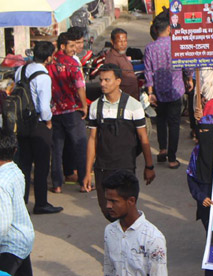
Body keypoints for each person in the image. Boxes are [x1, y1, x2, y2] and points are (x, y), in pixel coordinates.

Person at [83, 64, 155, 221]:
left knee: (124, 209)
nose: (102, 84)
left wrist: (149, 166)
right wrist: (88, 172)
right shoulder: (95, 106)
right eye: (101, 80)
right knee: (107, 209)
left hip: (125, 167)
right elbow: (92, 139)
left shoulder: (134, 106)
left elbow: (143, 139)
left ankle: (125, 242)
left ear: (118, 81)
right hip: (103, 168)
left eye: (107, 80)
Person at [14, 41, 61, 214]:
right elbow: (44, 107)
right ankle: (41, 203)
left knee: (24, 164)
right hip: (38, 124)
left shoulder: (21, 70)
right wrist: (48, 122)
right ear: (49, 58)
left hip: (22, 122)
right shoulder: (43, 76)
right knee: (41, 166)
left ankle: (22, 201)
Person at [145, 12, 192, 169]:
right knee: (174, 124)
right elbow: (187, 66)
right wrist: (189, 79)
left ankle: (162, 149)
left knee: (161, 121)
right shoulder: (176, 45)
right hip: (175, 90)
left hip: (158, 91)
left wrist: (150, 92)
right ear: (169, 28)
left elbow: (148, 72)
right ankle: (172, 158)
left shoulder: (150, 48)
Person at [102, 170, 167, 276]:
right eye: (107, 200)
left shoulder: (153, 238)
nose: (108, 206)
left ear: (131, 201)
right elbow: (109, 269)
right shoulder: (110, 231)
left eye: (113, 201)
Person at [48, 32, 88, 193]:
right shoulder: (72, 63)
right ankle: (84, 182)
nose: (74, 49)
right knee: (80, 146)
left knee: (57, 150)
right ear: (62, 46)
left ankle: (57, 184)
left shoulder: (49, 63)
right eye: (71, 46)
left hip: (55, 111)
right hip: (72, 110)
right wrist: (84, 105)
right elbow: (80, 85)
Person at [0, 133, 35, 275]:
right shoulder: (15, 170)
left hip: (10, 246)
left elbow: (3, 223)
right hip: (23, 239)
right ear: (14, 151)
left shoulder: (1, 183)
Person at [186, 115, 213, 230]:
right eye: (200, 131)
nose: (202, 134)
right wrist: (201, 197)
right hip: (205, 201)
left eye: (205, 131)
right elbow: (191, 176)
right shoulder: (197, 152)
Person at [103, 28, 139, 98]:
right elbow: (111, 83)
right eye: (120, 41)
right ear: (112, 42)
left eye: (125, 41)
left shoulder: (121, 54)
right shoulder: (111, 59)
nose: (123, 44)